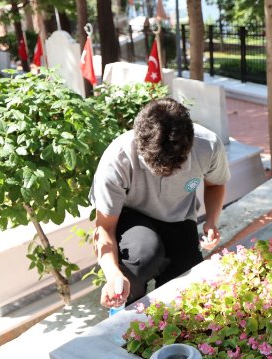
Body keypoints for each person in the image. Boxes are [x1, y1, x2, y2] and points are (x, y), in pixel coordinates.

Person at [90, 98, 230, 308]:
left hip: (179, 217)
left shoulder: (208, 145)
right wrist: (113, 275)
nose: (168, 174)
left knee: (187, 285)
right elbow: (104, 228)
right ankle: (125, 312)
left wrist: (211, 221)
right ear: (139, 145)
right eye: (156, 168)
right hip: (132, 216)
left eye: (177, 166)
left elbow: (215, 185)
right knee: (142, 259)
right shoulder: (117, 160)